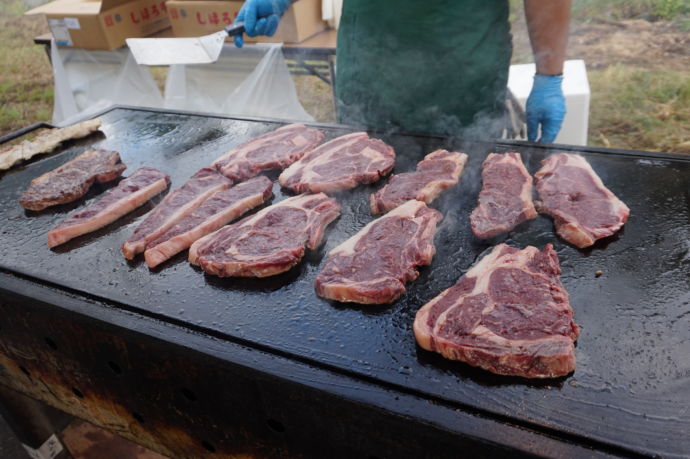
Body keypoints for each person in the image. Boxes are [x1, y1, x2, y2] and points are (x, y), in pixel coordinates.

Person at [233, 0, 570, 143]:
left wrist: (549, 76)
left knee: (465, 213)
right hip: (368, 70)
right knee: (359, 206)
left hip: (462, 74)